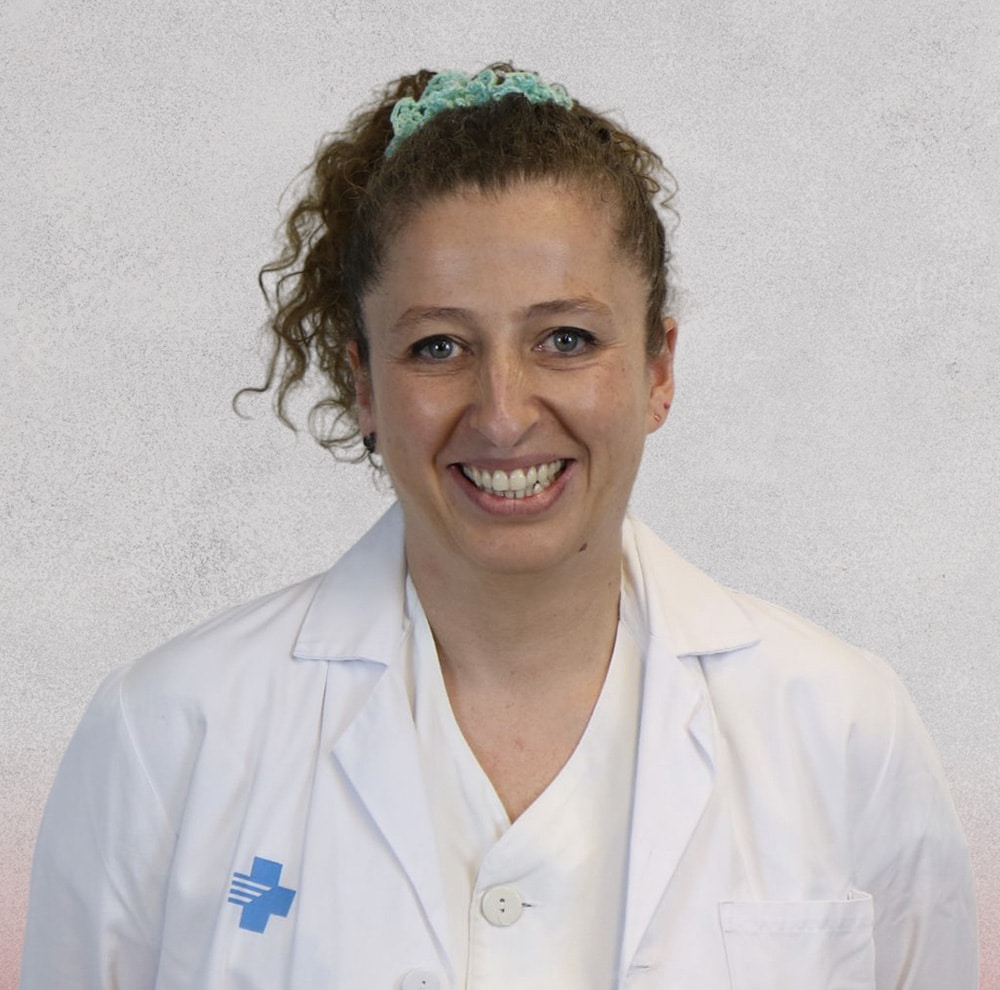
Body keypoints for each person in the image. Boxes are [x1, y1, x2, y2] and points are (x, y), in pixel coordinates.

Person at [21, 65, 977, 989]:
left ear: (657, 370)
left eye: (566, 339)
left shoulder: (844, 730)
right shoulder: (167, 736)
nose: (504, 414)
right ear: (364, 383)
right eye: (438, 346)